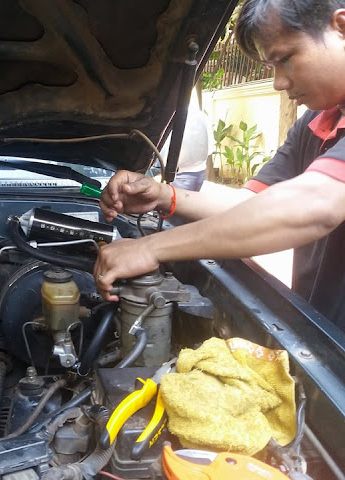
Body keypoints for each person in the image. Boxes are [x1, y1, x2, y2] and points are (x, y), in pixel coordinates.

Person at [94, 0, 345, 332]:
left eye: (284, 58)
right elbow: (251, 206)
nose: (278, 83)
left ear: (341, 27)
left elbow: (315, 205)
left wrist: (151, 247)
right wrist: (164, 195)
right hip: (326, 338)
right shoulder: (315, 125)